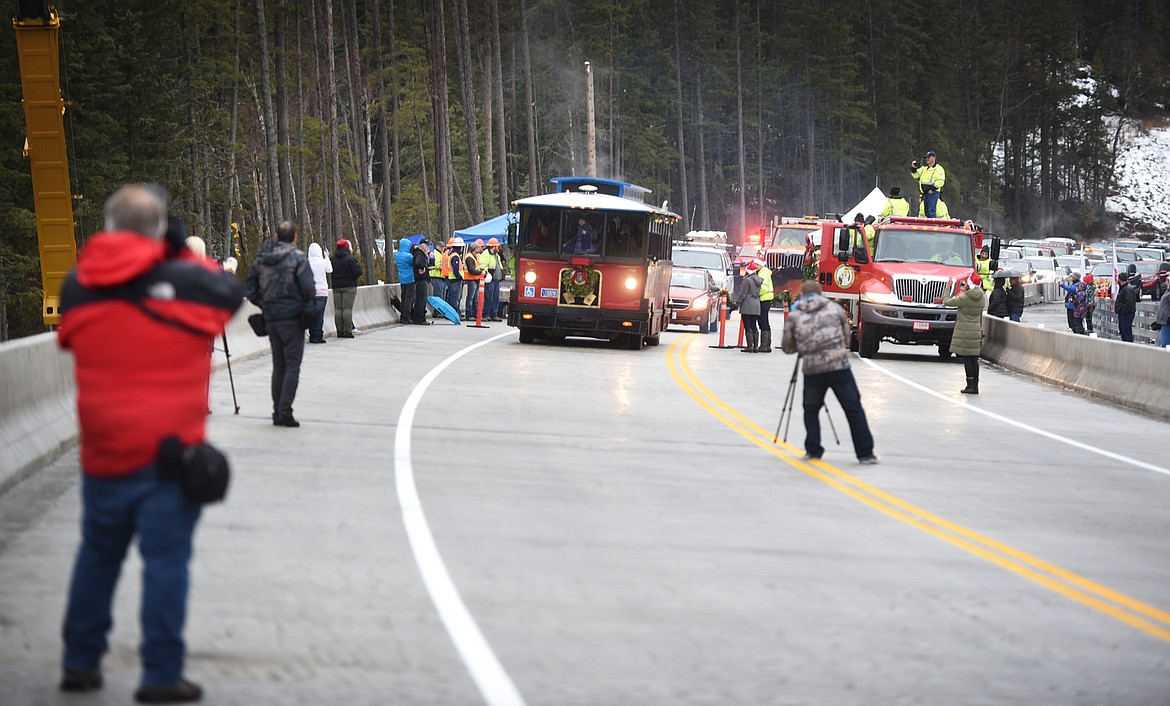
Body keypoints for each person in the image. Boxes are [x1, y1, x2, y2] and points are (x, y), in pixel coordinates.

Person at [56, 185, 244, 703]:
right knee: (166, 564)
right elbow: (229, 293)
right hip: (169, 455)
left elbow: (69, 333)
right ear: (161, 230)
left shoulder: (79, 284)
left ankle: (79, 661)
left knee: (97, 556)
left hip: (103, 452)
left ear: (110, 226)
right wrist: (179, 252)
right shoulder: (184, 280)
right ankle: (161, 674)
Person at [780, 280, 878, 464]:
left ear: (802, 295)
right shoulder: (835, 309)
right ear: (821, 294)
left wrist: (803, 347)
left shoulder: (795, 315)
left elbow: (787, 347)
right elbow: (846, 337)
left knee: (811, 409)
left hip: (813, 369)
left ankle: (813, 450)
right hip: (839, 366)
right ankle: (865, 453)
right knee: (853, 408)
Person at [245, 221, 315, 427]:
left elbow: (250, 291)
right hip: (292, 318)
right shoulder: (298, 259)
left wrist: (265, 303)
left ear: (277, 237)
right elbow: (309, 288)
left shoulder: (261, 260)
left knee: (279, 365)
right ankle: (284, 411)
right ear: (294, 238)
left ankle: (277, 410)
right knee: (292, 365)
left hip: (271, 317)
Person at [944, 272, 986, 394]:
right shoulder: (981, 297)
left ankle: (969, 385)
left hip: (965, 331)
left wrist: (948, 287)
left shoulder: (965, 298)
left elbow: (946, 302)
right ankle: (975, 386)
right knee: (974, 359)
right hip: (975, 331)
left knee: (967, 359)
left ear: (970, 285)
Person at [330, 239, 363, 337]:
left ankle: (339, 331)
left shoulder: (332, 259)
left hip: (336, 286)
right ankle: (348, 331)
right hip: (349, 286)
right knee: (347, 309)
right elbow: (357, 272)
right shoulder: (350, 259)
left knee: (338, 309)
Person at [735, 260, 763, 352]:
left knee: (748, 326)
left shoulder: (747, 280)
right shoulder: (758, 279)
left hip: (747, 305)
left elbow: (743, 294)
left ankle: (749, 346)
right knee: (754, 325)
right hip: (756, 304)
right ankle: (755, 347)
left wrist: (737, 304)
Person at [307, 242, 332, 343]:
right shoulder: (322, 262)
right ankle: (318, 336)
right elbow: (329, 269)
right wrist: (327, 257)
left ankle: (312, 335)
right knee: (319, 315)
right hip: (321, 292)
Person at [910, 150, 946, 218]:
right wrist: (913, 168)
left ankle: (932, 225)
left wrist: (932, 189)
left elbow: (940, 181)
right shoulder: (924, 169)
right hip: (925, 193)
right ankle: (929, 224)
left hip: (933, 193)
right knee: (927, 212)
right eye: (926, 157)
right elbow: (915, 175)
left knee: (931, 211)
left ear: (934, 158)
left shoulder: (939, 169)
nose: (927, 159)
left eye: (929, 157)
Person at [480, 237, 505, 321]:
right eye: (497, 246)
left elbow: (499, 266)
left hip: (496, 279)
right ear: (493, 246)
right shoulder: (485, 254)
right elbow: (483, 267)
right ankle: (486, 314)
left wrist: (502, 275)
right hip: (490, 279)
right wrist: (488, 275)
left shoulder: (496, 255)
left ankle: (494, 314)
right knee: (489, 297)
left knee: (495, 298)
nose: (499, 248)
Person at [394, 237, 416, 324]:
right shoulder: (408, 256)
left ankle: (403, 315)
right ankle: (407, 316)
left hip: (402, 279)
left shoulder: (398, 255)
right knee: (409, 299)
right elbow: (414, 262)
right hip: (410, 278)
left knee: (403, 297)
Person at [463, 240, 486, 319]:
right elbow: (471, 270)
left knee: (475, 298)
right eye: (478, 247)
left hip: (476, 279)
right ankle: (469, 314)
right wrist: (481, 272)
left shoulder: (476, 256)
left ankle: (475, 314)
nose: (480, 249)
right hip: (471, 279)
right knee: (471, 297)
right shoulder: (469, 257)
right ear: (475, 249)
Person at [756, 258, 775, 352]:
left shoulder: (762, 274)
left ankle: (765, 345)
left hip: (763, 300)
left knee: (763, 323)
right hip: (766, 300)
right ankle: (766, 344)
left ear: (760, 265)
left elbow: (762, 288)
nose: (755, 266)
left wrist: (755, 293)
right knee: (765, 322)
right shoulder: (764, 273)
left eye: (756, 265)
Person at [411, 239, 431, 324]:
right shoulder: (419, 254)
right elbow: (418, 263)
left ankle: (419, 317)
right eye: (427, 245)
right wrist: (422, 268)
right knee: (421, 299)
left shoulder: (422, 254)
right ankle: (420, 318)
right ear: (423, 246)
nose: (428, 247)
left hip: (422, 279)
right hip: (421, 279)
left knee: (421, 298)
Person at [1115, 271, 1138, 342]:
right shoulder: (1124, 288)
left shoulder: (1127, 289)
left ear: (1120, 279)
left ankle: (1129, 346)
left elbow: (1129, 302)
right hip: (1124, 313)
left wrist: (1122, 310)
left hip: (1126, 314)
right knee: (1123, 331)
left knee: (1126, 331)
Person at [445, 237, 465, 315]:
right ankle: (454, 313)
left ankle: (451, 313)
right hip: (455, 279)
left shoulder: (451, 254)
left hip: (452, 278)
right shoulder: (455, 256)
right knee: (455, 297)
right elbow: (456, 269)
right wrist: (460, 277)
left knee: (451, 296)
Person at [430, 240, 448, 311]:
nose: (442, 248)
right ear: (437, 246)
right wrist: (445, 267)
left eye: (443, 247)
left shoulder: (442, 254)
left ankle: (441, 310)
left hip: (442, 276)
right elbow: (436, 264)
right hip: (436, 276)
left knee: (442, 296)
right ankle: (437, 311)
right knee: (438, 295)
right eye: (441, 247)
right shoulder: (435, 253)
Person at [1155, 283, 1170, 348]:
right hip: (1164, 321)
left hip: (1167, 321)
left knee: (1165, 343)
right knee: (1164, 342)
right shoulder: (1167, 291)